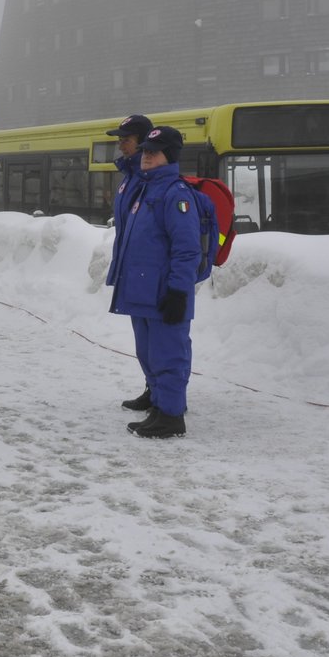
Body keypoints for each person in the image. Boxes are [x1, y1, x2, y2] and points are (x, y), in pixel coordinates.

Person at [106, 126, 199, 438]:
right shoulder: (147, 189)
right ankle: (160, 407)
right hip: (142, 290)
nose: (145, 156)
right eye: (144, 150)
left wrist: (178, 292)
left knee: (168, 353)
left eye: (153, 152)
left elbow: (187, 250)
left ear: (168, 156)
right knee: (148, 353)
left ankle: (172, 416)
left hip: (163, 292)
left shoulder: (176, 194)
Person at [105, 113, 155, 409]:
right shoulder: (130, 177)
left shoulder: (151, 179)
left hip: (150, 273)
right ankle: (154, 389)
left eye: (126, 140)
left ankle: (168, 399)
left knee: (161, 342)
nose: (121, 146)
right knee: (144, 342)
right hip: (134, 271)